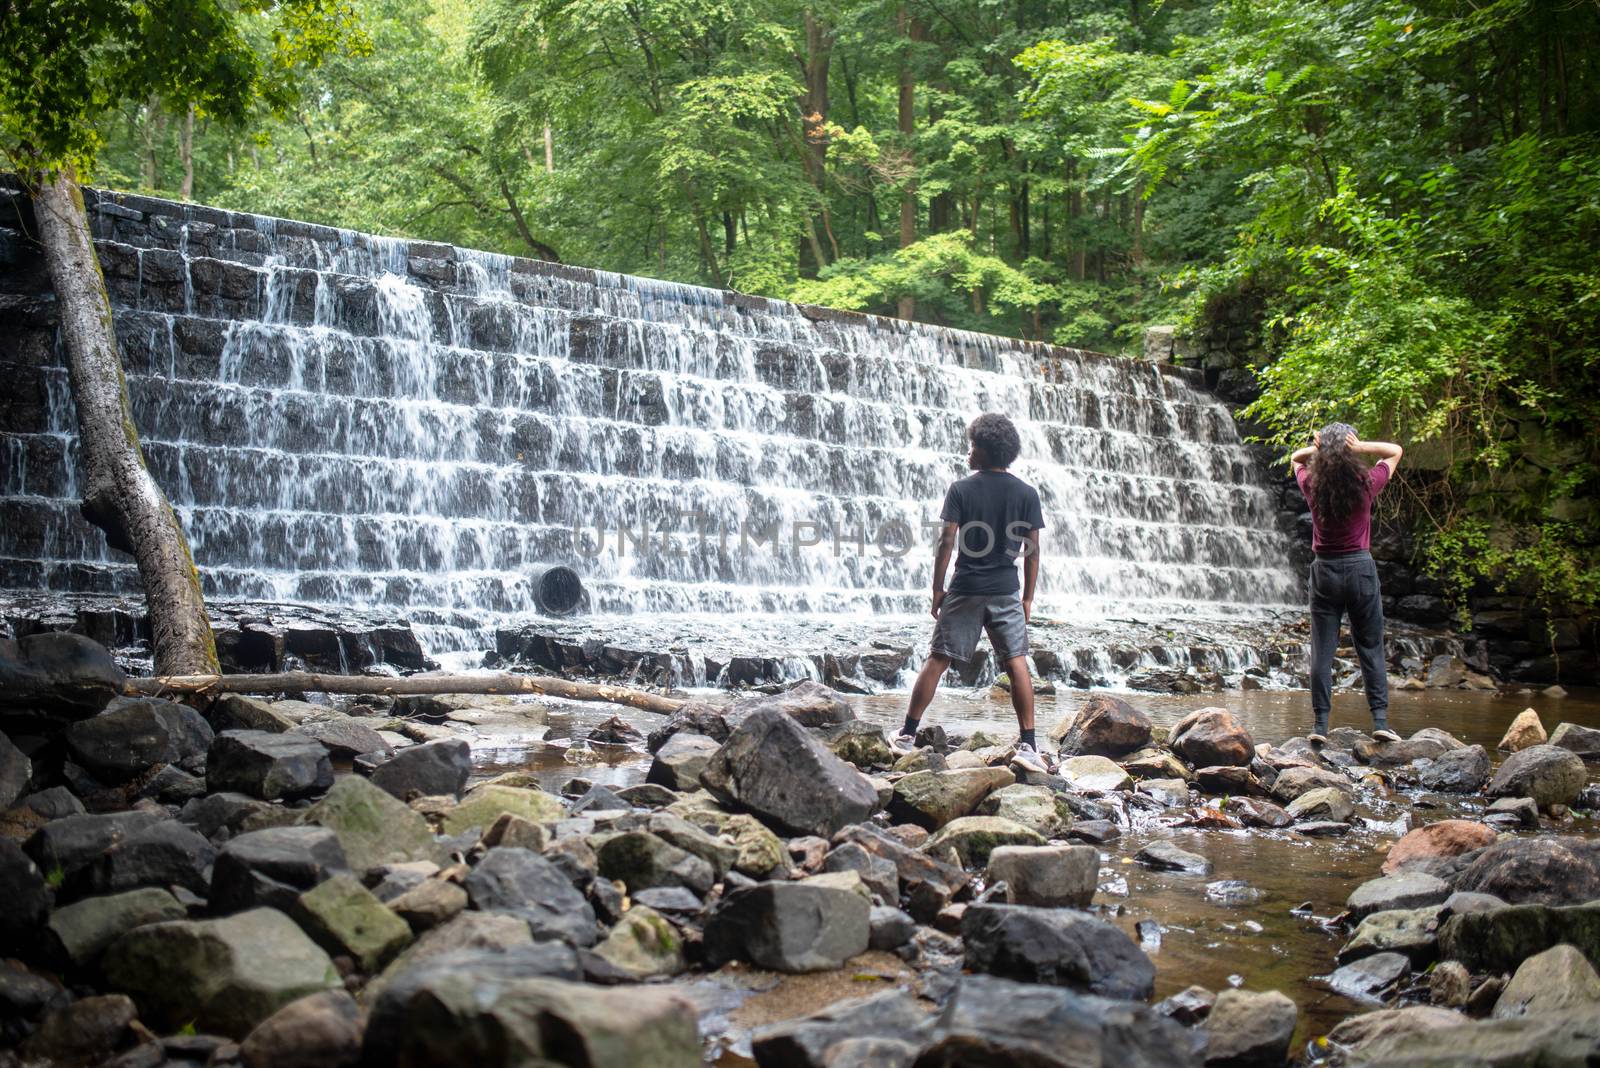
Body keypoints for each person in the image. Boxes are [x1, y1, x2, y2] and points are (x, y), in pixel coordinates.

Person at [896, 413, 1048, 773]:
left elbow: (947, 540)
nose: (969, 452)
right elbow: (1033, 551)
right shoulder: (1027, 494)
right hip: (1006, 589)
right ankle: (1029, 745)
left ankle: (906, 734)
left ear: (984, 449)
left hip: (966, 586)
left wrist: (937, 588)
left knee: (939, 658)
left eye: (972, 445)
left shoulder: (961, 489)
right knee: (1016, 663)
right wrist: (1027, 598)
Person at [1289, 423, 1404, 744]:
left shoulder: (1312, 484)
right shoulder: (1366, 482)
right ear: (1353, 450)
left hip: (1324, 572)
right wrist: (1359, 446)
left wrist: (1322, 447)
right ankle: (1380, 721)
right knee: (1369, 646)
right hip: (1360, 570)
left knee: (1322, 651)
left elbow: (1296, 459)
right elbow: (1395, 452)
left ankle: (1320, 727)